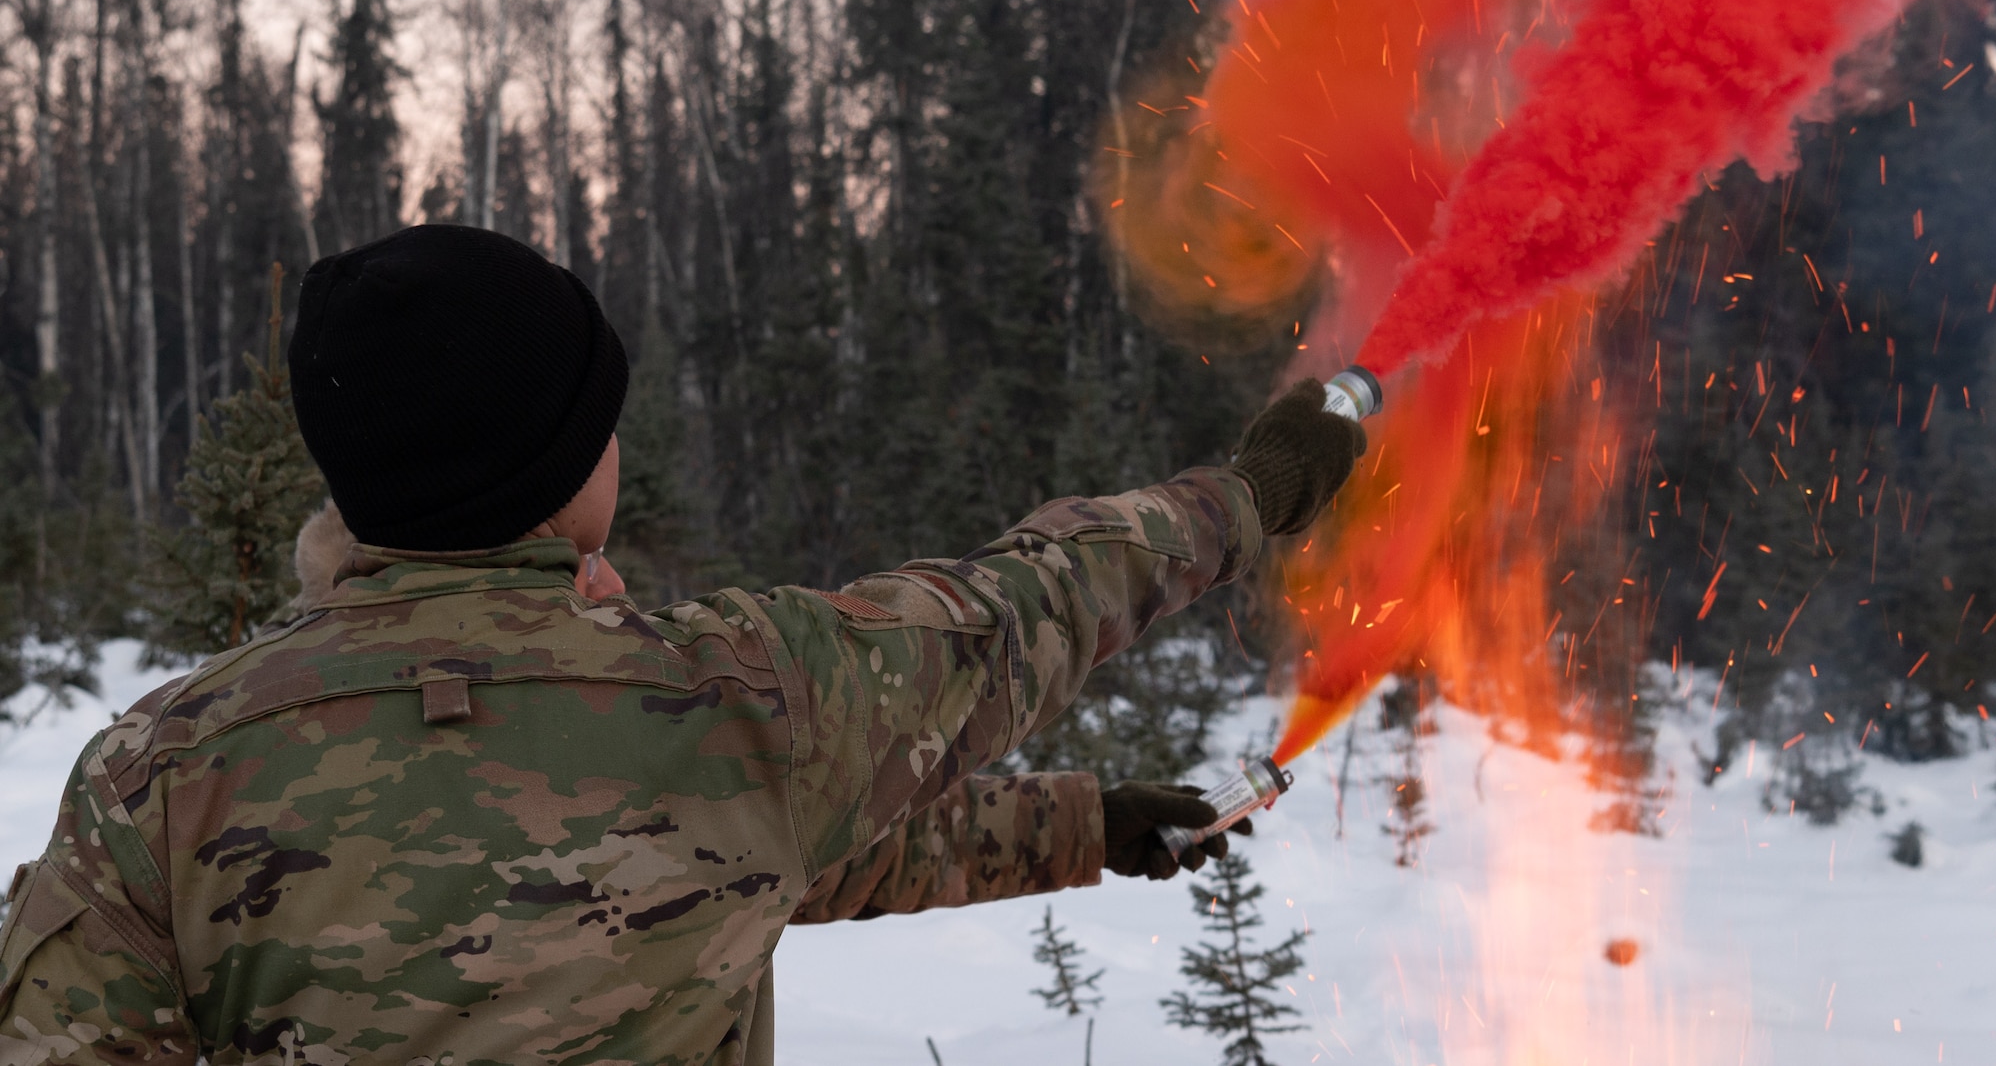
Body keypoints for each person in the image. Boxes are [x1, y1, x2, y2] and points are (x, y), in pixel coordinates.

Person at [0, 225, 1364, 1065]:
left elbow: (712, 866)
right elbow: (1034, 605)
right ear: (553, 466)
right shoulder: (736, 700)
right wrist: (1256, 492)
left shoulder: (159, 772)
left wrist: (1081, 824)